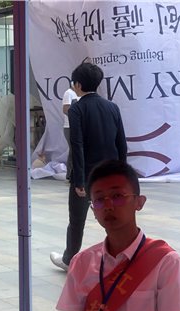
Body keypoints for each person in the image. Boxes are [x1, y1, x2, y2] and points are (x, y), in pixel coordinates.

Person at [58, 160, 180, 311]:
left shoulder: (167, 262)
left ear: (139, 202)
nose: (108, 205)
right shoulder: (82, 261)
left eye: (118, 196)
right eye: (99, 199)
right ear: (93, 209)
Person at [50, 62, 128, 272]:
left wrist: (79, 179)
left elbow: (77, 146)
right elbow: (121, 144)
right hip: (111, 175)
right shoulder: (112, 107)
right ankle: (121, 258)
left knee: (77, 221)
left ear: (77, 84)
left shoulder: (77, 109)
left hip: (88, 175)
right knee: (114, 218)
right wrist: (123, 175)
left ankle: (69, 260)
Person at [62, 85, 78, 180]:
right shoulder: (69, 93)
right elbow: (66, 110)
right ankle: (70, 175)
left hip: (79, 126)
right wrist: (77, 118)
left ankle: (75, 174)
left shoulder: (81, 94)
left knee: (77, 150)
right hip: (70, 126)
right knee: (73, 150)